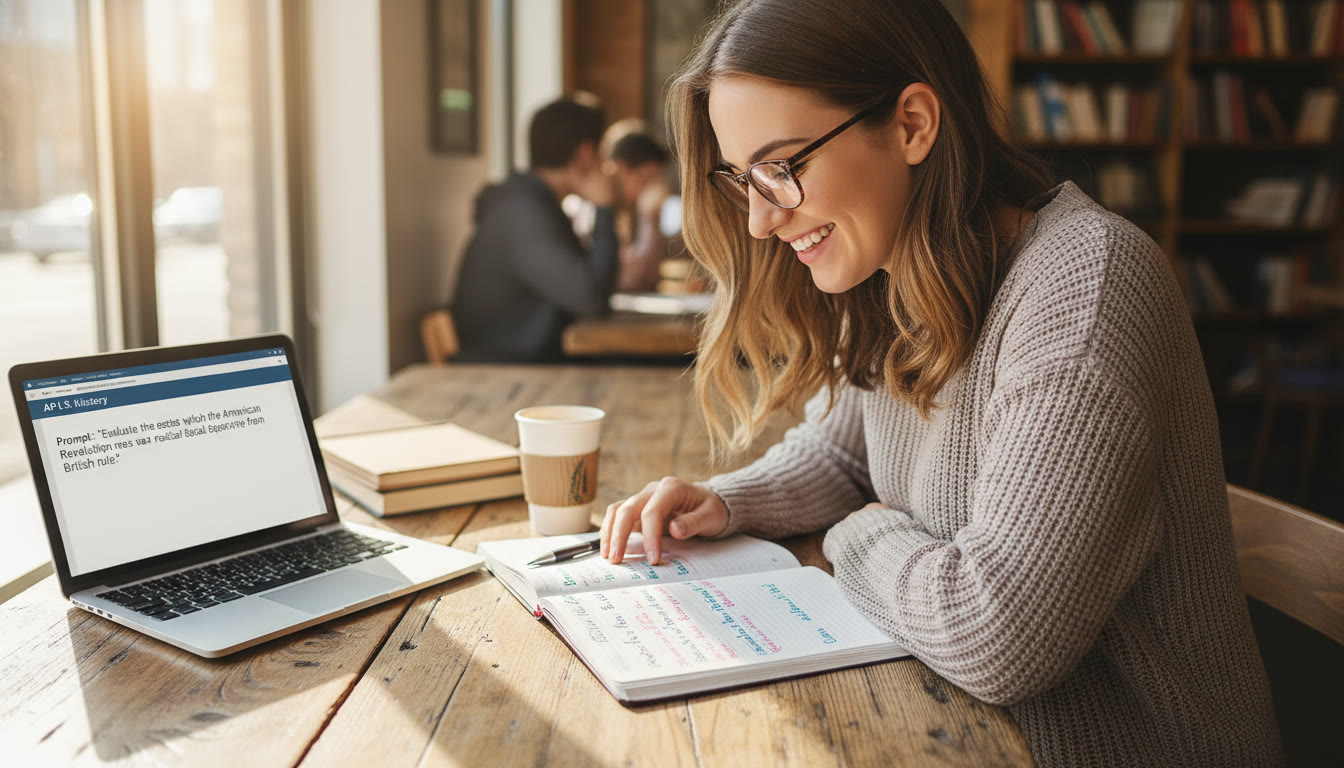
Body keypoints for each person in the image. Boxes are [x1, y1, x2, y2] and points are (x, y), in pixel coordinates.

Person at [598, 1, 1284, 766]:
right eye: (743, 177)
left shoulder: (1087, 289)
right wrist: (728, 501)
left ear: (913, 125)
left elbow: (996, 633)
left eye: (783, 167)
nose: (759, 221)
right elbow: (843, 454)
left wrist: (858, 534)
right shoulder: (901, 272)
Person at [450, 93, 620, 362]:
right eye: (602, 152)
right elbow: (592, 298)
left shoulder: (530, 204)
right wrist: (604, 208)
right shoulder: (523, 211)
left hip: (530, 361)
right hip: (506, 372)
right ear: (585, 153)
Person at [565, 119, 673, 293]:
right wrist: (651, 217)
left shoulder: (620, 214)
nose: (646, 192)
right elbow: (634, 280)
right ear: (620, 169)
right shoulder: (587, 211)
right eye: (644, 180)